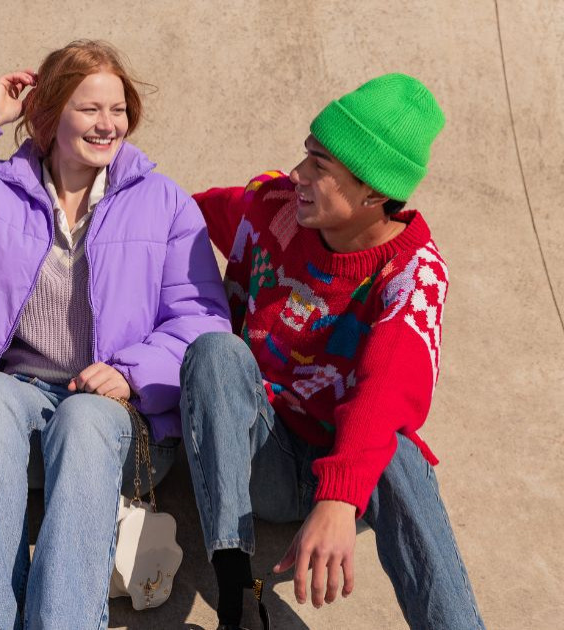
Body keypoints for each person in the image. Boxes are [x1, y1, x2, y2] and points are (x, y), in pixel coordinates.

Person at [0, 41, 231, 629]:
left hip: (118, 422)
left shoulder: (164, 202)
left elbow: (202, 319)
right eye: (89, 109)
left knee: (84, 417)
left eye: (118, 109)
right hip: (16, 417)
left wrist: (132, 374)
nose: (108, 125)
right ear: (48, 115)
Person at [180, 73, 484, 629]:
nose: (298, 176)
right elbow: (169, 217)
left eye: (320, 168)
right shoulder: (271, 205)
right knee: (216, 353)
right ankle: (239, 602)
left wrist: (340, 498)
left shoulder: (413, 276)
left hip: (346, 469)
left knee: (397, 449)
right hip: (257, 450)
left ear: (374, 192)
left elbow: (386, 390)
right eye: (307, 156)